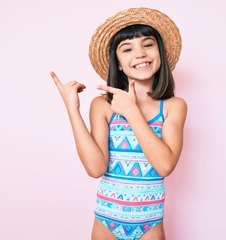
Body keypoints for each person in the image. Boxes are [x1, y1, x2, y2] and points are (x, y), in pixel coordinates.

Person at [51, 7, 187, 240]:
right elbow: (95, 169)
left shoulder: (174, 106)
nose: (140, 53)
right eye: (127, 49)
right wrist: (72, 110)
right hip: (106, 220)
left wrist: (132, 112)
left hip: (151, 223)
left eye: (148, 44)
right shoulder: (102, 106)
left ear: (160, 54)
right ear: (119, 64)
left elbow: (165, 165)